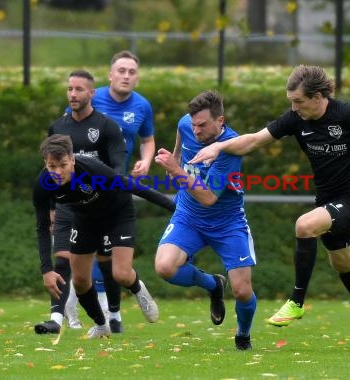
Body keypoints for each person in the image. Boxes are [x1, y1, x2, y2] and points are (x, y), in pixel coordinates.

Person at [190, 65, 350, 345]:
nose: (294, 108)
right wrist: (219, 146)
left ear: (319, 96)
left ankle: (296, 301)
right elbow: (255, 141)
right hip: (327, 201)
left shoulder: (346, 113)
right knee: (342, 262)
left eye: (298, 101)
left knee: (304, 225)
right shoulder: (295, 119)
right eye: (291, 102)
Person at [33, 134, 174, 338]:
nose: (57, 172)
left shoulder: (92, 169)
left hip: (118, 214)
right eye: (51, 166)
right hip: (86, 220)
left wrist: (174, 207)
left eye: (62, 165)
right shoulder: (42, 185)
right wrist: (46, 269)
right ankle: (101, 325)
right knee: (80, 280)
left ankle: (137, 288)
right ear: (45, 163)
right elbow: (42, 227)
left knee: (121, 274)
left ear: (72, 160)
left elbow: (132, 186)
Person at [154, 90, 257, 351]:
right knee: (165, 267)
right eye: (194, 124)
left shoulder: (231, 147)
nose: (196, 130)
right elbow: (179, 147)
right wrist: (175, 161)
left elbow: (209, 197)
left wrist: (176, 170)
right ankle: (213, 285)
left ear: (220, 121)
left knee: (243, 291)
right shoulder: (186, 124)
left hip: (227, 223)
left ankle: (243, 336)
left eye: (202, 125)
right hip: (188, 216)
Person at [63, 51, 156, 333]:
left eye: (132, 72)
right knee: (83, 258)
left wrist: (146, 161)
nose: (127, 76)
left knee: (113, 264)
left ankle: (112, 312)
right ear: (110, 75)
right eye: (122, 70)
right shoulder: (90, 98)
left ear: (137, 77)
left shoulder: (142, 106)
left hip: (115, 190)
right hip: (81, 191)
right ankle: (95, 312)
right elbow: (65, 137)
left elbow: (147, 140)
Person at [35, 69, 126, 334]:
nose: (73, 94)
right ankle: (56, 319)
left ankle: (115, 314)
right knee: (62, 258)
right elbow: (50, 168)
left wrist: (113, 193)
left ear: (91, 93)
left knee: (107, 263)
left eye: (78, 89)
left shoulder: (106, 126)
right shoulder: (58, 127)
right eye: (69, 89)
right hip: (66, 204)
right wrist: (52, 207)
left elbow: (117, 164)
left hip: (97, 203)